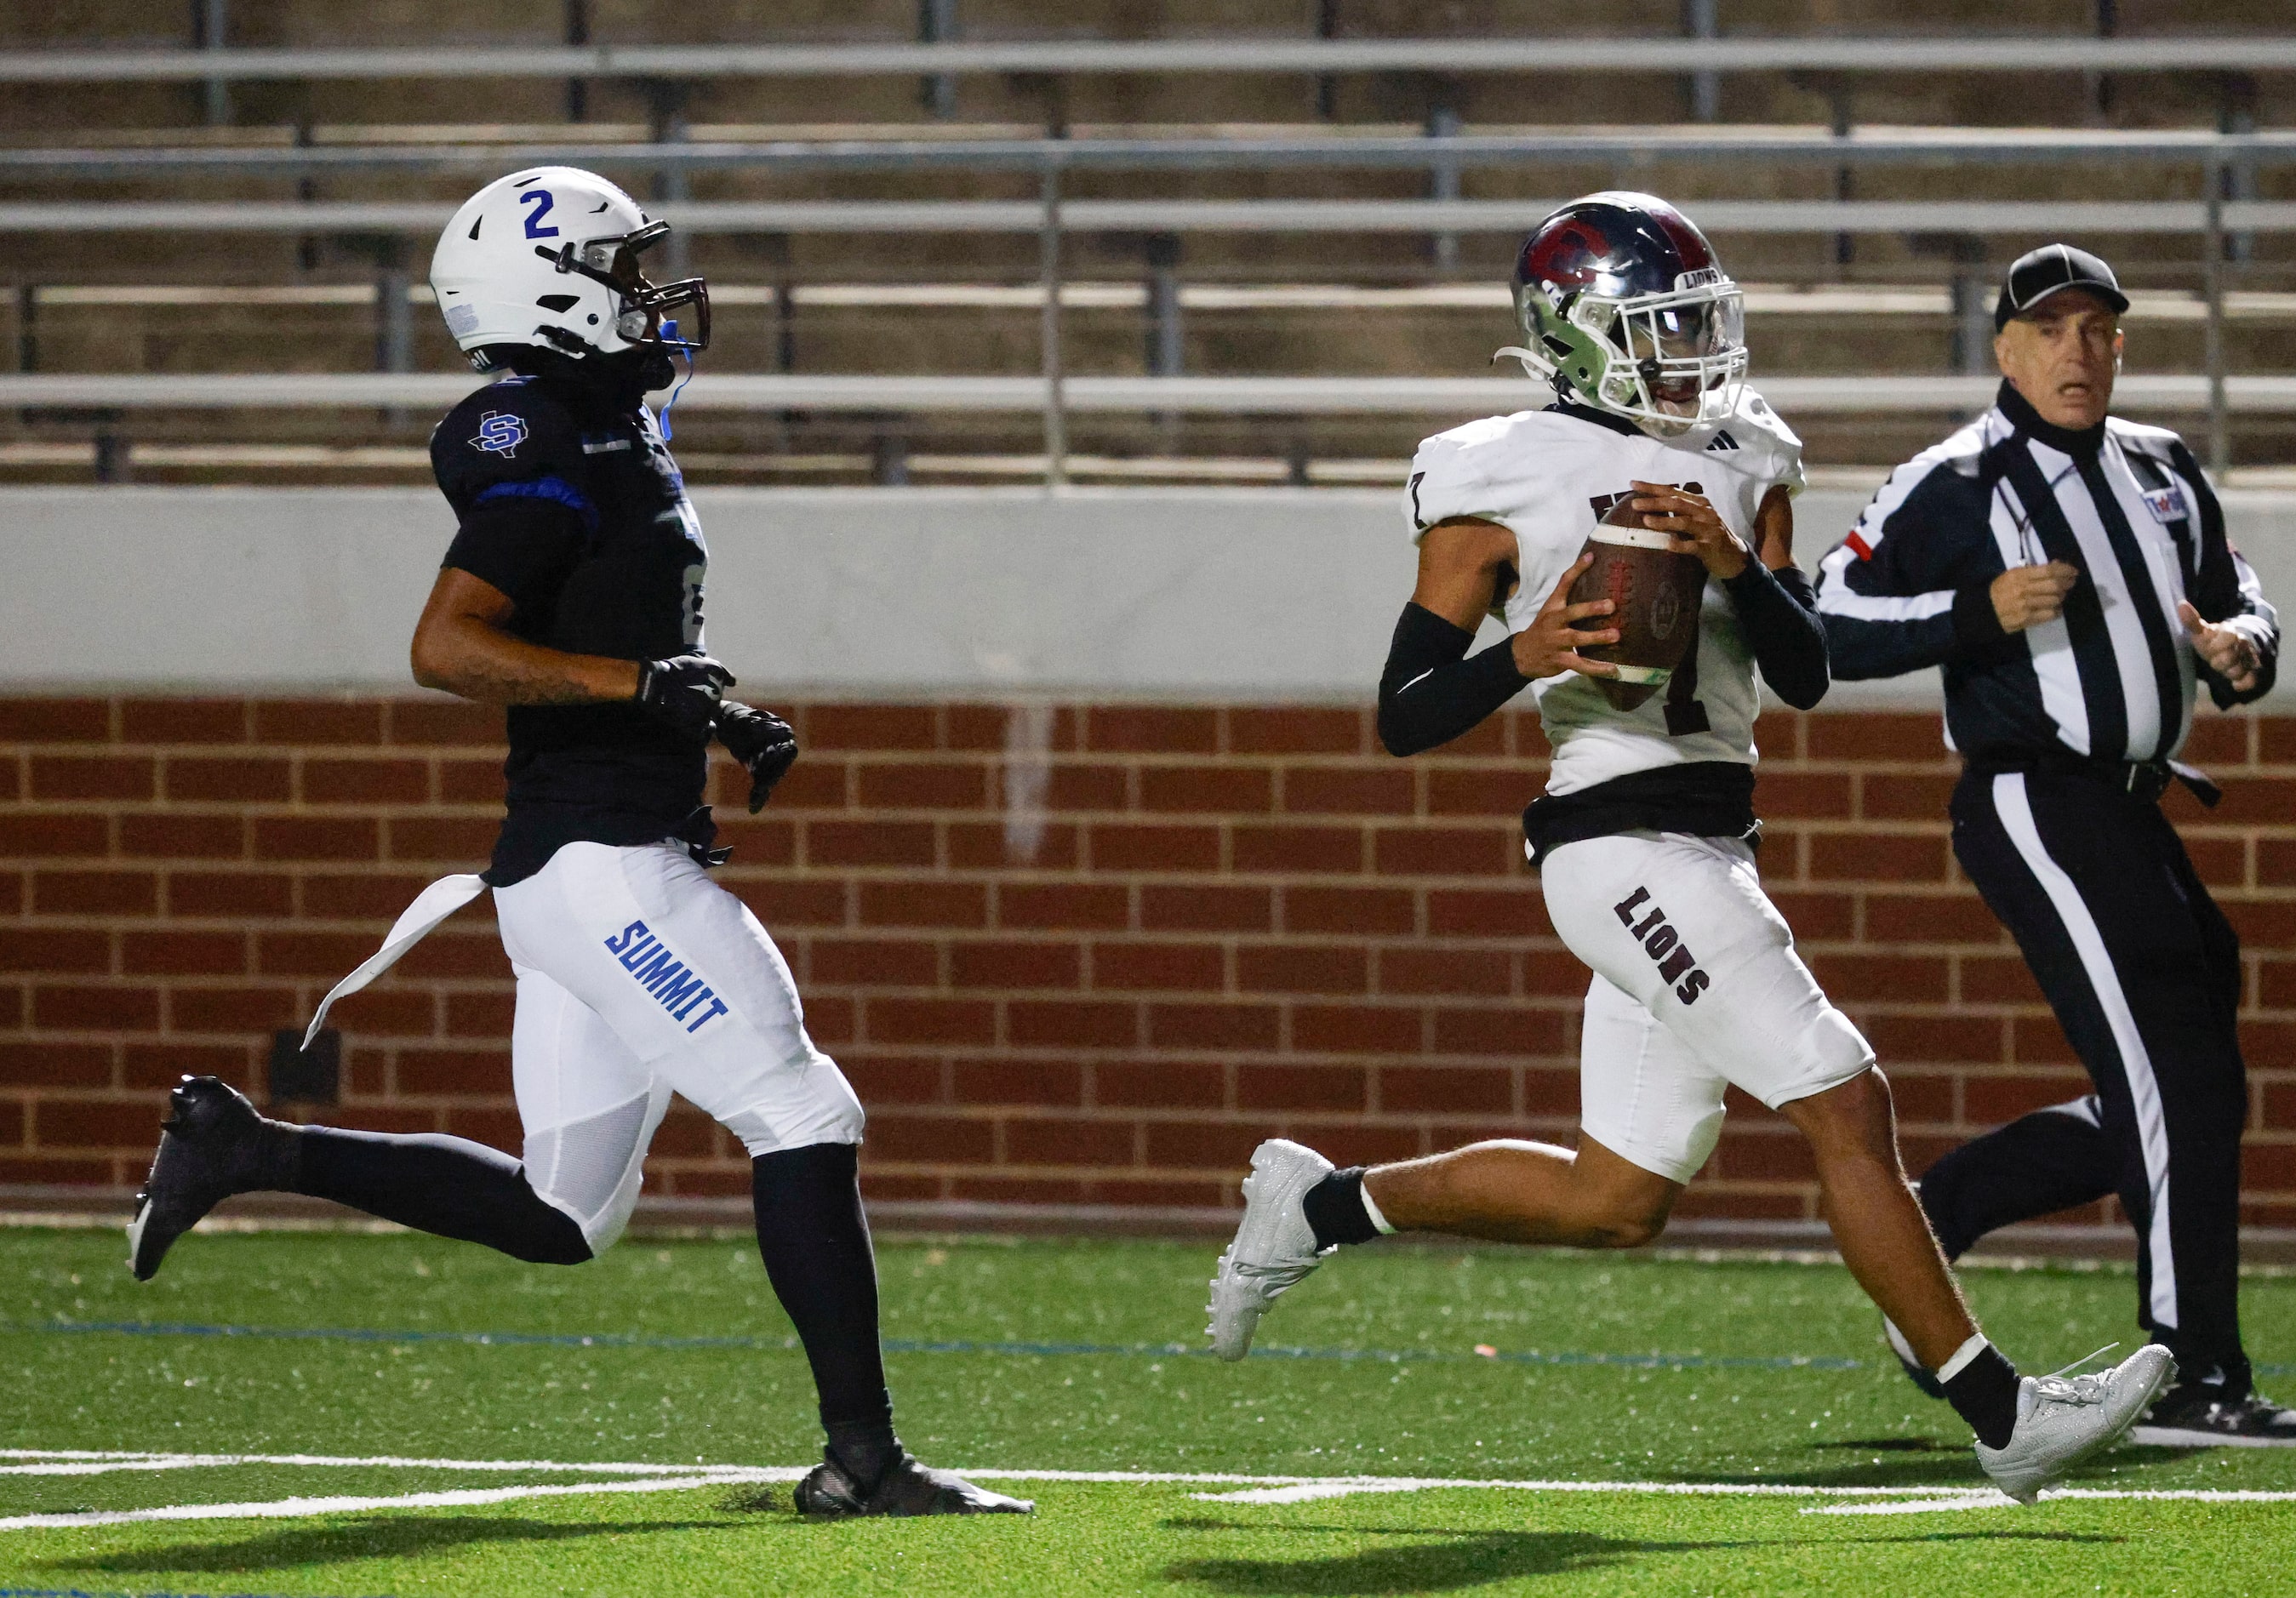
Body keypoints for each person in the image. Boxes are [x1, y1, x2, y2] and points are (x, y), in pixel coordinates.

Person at [1202, 194, 2172, 1503]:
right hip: (1613, 838)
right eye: (1661, 326)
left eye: (1698, 323)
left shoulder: (1741, 451)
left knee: (1619, 1195)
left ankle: (1315, 1207)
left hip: (1710, 838)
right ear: (1579, 335)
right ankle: (2003, 1414)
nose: (1692, 351)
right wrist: (1525, 654)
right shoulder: (1498, 473)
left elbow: (1807, 672)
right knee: (1847, 1096)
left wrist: (1735, 562)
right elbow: (1402, 712)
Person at [123, 167, 1033, 1517]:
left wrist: (708, 706)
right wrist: (644, 690)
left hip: (576, 869)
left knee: (564, 1216)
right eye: (623, 269)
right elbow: (448, 644)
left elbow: (624, 636)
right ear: (552, 292)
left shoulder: (613, 420)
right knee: (804, 1108)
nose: (651, 293)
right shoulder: (535, 429)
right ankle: (863, 1459)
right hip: (606, 868)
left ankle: (251, 1148)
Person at [1813, 243, 2296, 1447]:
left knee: (2190, 1077)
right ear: (2004, 348)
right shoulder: (1954, 481)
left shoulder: (2160, 465)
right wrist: (1972, 613)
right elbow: (1819, 620)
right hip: (2032, 795)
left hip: (2134, 801)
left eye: (2099, 329)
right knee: (2176, 1078)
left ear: (2122, 345)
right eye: (2050, 330)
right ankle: (2195, 1373)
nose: (2077, 351)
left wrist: (2245, 647)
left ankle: (1941, 1211)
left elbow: (2237, 586)